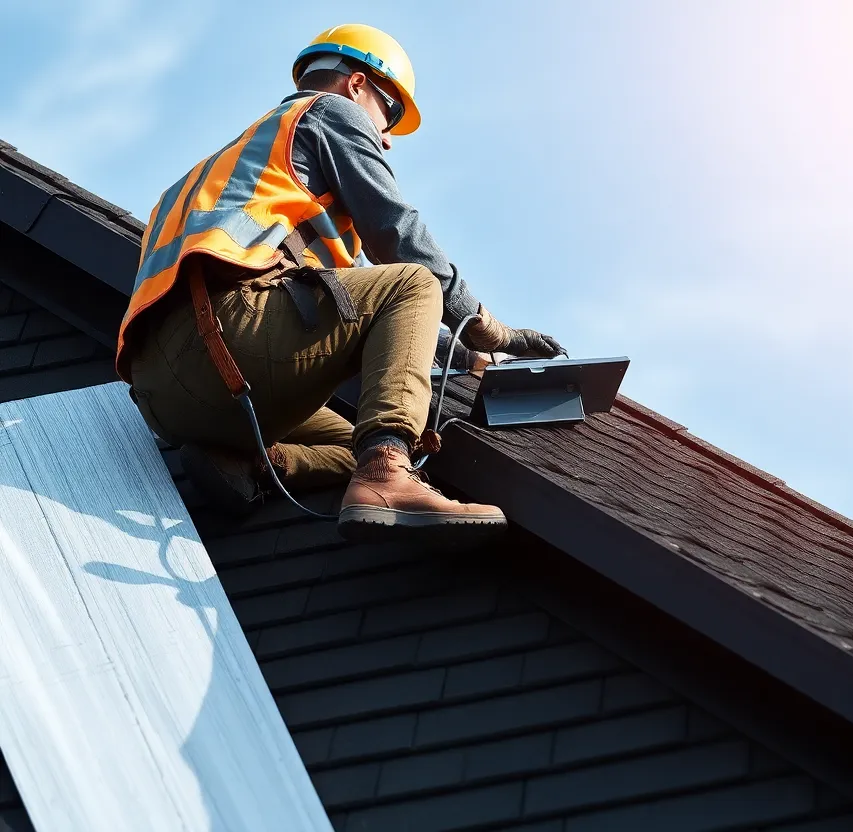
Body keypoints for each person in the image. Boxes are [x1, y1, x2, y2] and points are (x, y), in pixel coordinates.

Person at [116, 24, 563, 543]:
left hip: (162, 397)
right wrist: (487, 328)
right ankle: (387, 474)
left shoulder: (239, 173)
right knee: (416, 284)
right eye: (389, 113)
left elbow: (356, 304)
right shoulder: (329, 113)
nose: (389, 139)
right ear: (355, 85)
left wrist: (463, 356)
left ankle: (260, 465)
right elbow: (398, 235)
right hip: (234, 339)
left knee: (359, 438)